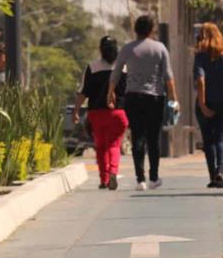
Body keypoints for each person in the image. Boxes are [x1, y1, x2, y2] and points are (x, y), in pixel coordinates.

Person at [108, 15, 178, 191]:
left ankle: (140, 179)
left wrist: (110, 93)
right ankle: (154, 177)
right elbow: (168, 76)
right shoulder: (160, 48)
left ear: (136, 30)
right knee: (153, 138)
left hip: (133, 97)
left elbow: (116, 72)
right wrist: (174, 98)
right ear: (151, 29)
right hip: (155, 97)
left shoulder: (127, 49)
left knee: (137, 137)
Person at [73, 36, 129, 190]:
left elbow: (83, 92)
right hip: (118, 113)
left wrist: (76, 110)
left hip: (96, 114)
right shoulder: (123, 67)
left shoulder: (92, 67)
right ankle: (113, 172)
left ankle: (104, 179)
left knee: (101, 146)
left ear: (100, 49)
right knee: (115, 145)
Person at [193, 22, 223, 189]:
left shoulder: (200, 56)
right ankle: (220, 172)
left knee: (208, 141)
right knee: (221, 138)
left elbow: (200, 80)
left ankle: (213, 176)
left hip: (206, 104)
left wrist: (203, 105)